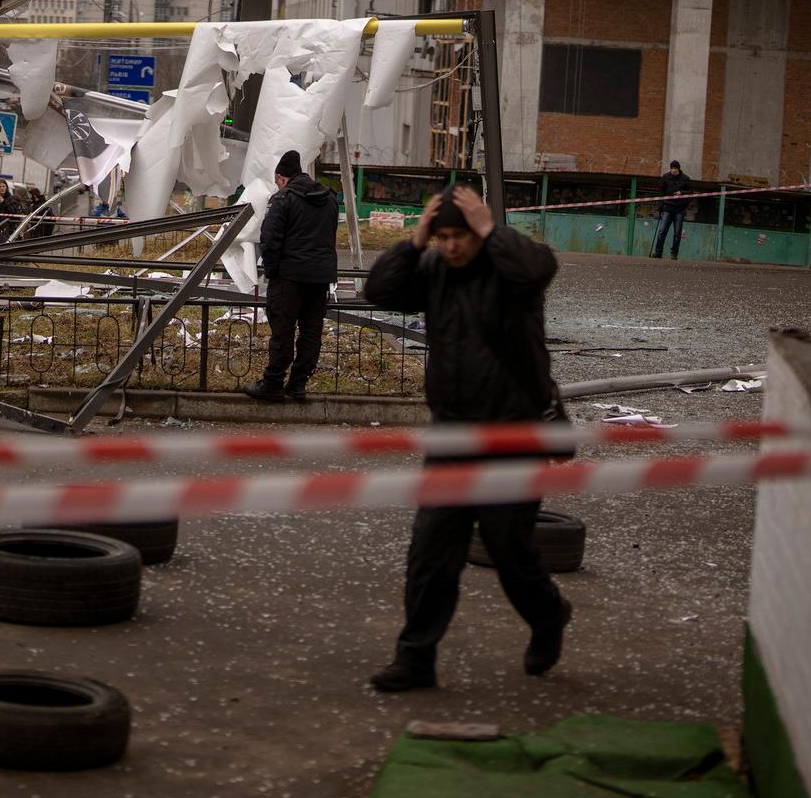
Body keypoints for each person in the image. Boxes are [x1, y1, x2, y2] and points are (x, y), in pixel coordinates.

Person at [361, 184, 572, 692]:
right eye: (444, 237)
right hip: (452, 436)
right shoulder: (434, 269)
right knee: (431, 552)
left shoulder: (510, 271)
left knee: (509, 551)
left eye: (461, 237)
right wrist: (414, 243)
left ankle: (549, 617)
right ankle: (415, 658)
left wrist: (491, 230)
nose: (452, 247)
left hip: (510, 436)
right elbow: (380, 292)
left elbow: (540, 267)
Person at [244, 150, 340, 403]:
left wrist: (273, 272)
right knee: (311, 332)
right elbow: (329, 236)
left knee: (283, 331)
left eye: (277, 181)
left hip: (289, 277)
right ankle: (298, 385)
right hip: (319, 278)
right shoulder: (329, 199)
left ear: (281, 178)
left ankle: (273, 383)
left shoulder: (283, 199)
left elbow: (270, 239)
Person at [653, 160, 693, 260]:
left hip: (679, 210)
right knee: (662, 231)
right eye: (672, 168)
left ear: (679, 169)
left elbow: (691, 193)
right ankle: (658, 253)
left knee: (677, 233)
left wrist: (682, 193)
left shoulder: (686, 179)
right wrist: (660, 206)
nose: (674, 170)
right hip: (667, 208)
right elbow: (661, 192)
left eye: (675, 168)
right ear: (670, 168)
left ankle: (674, 254)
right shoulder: (665, 177)